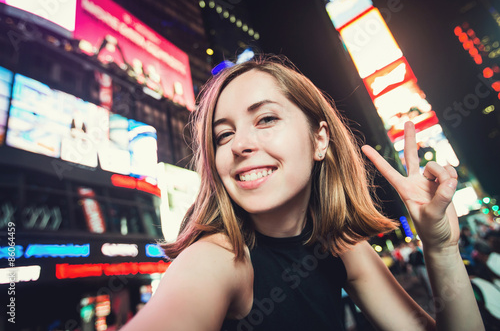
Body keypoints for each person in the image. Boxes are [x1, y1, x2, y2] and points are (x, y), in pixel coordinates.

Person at [120, 55, 484, 330]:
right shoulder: (217, 259)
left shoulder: (341, 248)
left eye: (265, 119)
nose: (239, 144)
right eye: (223, 134)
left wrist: (441, 248)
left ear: (319, 139)